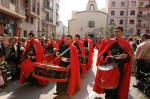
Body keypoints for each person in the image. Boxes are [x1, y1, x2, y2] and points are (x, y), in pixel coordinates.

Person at [93, 26, 132, 99]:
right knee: (107, 80)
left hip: (119, 65)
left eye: (118, 31)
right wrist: (103, 56)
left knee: (117, 82)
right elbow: (104, 51)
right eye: (115, 31)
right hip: (109, 63)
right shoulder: (111, 41)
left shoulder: (125, 42)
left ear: (122, 32)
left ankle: (114, 97)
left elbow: (129, 55)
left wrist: (126, 55)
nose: (116, 33)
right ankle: (107, 96)